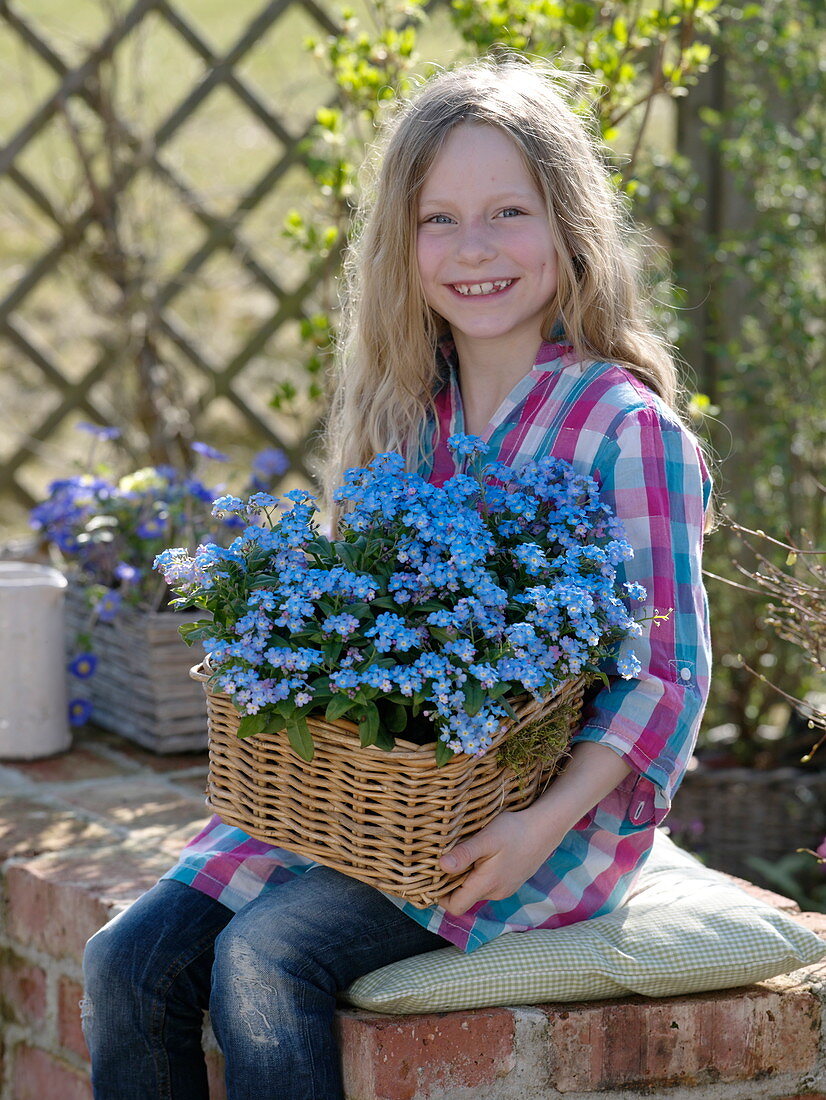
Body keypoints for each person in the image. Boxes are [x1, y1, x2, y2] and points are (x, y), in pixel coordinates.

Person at [82, 55, 712, 1100]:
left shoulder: (621, 427)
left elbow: (664, 677)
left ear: (568, 226)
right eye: (439, 220)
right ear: (401, 243)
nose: (474, 250)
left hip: (542, 819)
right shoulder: (410, 412)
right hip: (383, 797)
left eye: (508, 212)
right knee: (125, 960)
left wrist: (529, 828)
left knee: (266, 957)